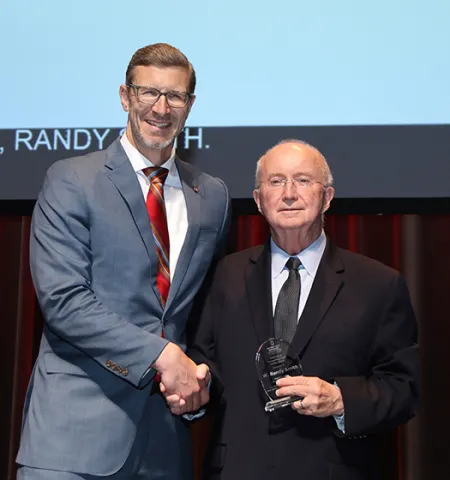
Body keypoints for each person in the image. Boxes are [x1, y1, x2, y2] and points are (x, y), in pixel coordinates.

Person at [16, 43, 230, 479]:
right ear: (124, 96)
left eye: (175, 96)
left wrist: (200, 378)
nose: (161, 107)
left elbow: (206, 309)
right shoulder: (71, 179)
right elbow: (64, 301)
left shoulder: (212, 195)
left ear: (190, 105)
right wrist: (163, 357)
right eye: (148, 92)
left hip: (164, 443)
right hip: (73, 438)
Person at [168, 140, 419, 480]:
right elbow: (203, 362)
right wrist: (196, 389)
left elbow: (403, 389)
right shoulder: (223, 275)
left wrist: (340, 399)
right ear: (259, 200)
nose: (288, 193)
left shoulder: (379, 284)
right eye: (275, 181)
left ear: (327, 197)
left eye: (302, 180)